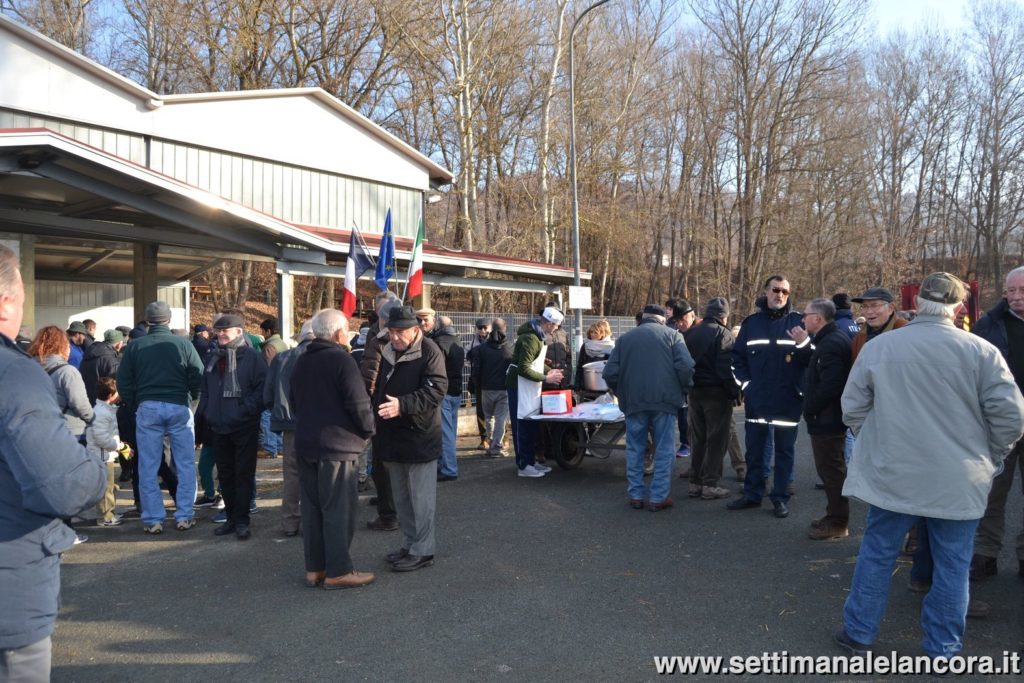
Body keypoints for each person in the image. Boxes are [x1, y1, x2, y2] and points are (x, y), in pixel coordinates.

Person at [834, 272, 1024, 662]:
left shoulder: (882, 347)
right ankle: (943, 647)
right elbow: (1010, 418)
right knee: (953, 564)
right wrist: (991, 456)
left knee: (878, 553)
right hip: (957, 476)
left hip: (894, 472)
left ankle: (859, 634)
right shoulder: (981, 351)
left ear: (919, 302)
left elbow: (853, 408)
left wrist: (878, 442)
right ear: (958, 307)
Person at [0, 244, 107, 682]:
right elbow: (64, 486)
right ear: (5, 301)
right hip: (10, 591)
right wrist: (94, 460)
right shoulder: (13, 373)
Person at [290, 309, 376, 589]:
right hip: (337, 447)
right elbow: (359, 403)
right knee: (339, 510)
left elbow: (293, 400)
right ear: (340, 334)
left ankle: (315, 568)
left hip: (306, 443)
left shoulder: (302, 360)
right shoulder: (342, 360)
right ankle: (339, 570)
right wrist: (368, 430)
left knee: (313, 511)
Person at [117, 301, 204, 534]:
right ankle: (185, 515)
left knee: (148, 465)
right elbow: (198, 376)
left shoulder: (135, 346)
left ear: (147, 321)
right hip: (178, 406)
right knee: (185, 463)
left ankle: (154, 519)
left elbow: (123, 381)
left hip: (148, 407)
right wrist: (191, 399)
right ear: (169, 320)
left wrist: (137, 401)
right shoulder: (183, 344)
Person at [371, 306, 447, 572]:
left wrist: (402, 405)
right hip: (392, 436)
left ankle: (423, 550)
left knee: (421, 500)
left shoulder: (430, 351)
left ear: (416, 329)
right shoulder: (388, 351)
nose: (394, 337)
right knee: (402, 499)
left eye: (399, 332)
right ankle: (410, 544)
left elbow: (437, 390)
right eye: (391, 331)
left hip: (419, 436)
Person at [727, 275, 810, 518]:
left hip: (788, 399)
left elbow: (811, 360)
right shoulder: (752, 323)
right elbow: (737, 358)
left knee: (784, 452)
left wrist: (804, 343)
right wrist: (747, 385)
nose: (780, 295)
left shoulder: (799, 323)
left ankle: (780, 497)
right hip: (758, 398)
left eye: (785, 291)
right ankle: (752, 494)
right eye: (775, 290)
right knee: (754, 450)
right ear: (766, 292)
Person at [603, 304, 695, 511]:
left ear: (643, 318)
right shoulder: (673, 336)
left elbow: (609, 373)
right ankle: (658, 497)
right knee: (664, 449)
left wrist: (622, 392)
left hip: (634, 402)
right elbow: (687, 367)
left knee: (635, 448)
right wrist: (683, 389)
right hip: (665, 402)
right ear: (662, 319)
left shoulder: (625, 339)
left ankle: (635, 495)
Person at [969, 265, 1024, 581]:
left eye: (1022, 291)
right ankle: (985, 554)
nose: (1016, 297)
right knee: (992, 491)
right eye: (1010, 291)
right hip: (998, 423)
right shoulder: (988, 326)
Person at [197, 312, 268, 540]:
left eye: (224, 331)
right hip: (218, 426)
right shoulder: (214, 357)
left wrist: (243, 411)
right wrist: (207, 411)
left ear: (238, 332)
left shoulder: (252, 358)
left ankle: (242, 521)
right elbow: (206, 389)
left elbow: (262, 391)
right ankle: (230, 518)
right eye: (218, 331)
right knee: (225, 475)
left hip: (243, 426)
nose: (220, 334)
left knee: (243, 475)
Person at [796, 298, 852, 540]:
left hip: (828, 419)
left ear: (818, 318)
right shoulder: (828, 340)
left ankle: (838, 522)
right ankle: (833, 515)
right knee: (829, 469)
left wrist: (811, 408)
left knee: (831, 471)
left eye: (806, 314)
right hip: (826, 417)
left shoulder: (831, 343)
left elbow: (831, 384)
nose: (803, 319)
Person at [682, 298, 737, 500]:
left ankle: (695, 482)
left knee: (698, 438)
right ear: (723, 316)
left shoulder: (690, 333)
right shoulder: (724, 334)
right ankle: (710, 483)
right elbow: (726, 368)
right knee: (717, 439)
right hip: (716, 393)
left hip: (694, 391)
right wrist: (733, 392)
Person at [265, 320, 314, 537]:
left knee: (292, 474)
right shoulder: (325, 357)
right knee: (315, 473)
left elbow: (268, 395)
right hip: (317, 423)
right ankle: (311, 520)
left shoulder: (282, 358)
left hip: (289, 423)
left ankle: (289, 522)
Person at [360, 292, 403, 531]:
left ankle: (389, 515)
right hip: (393, 405)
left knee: (383, 463)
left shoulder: (381, 340)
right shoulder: (378, 336)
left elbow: (369, 377)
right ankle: (391, 508)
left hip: (386, 407)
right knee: (388, 464)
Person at [506, 307, 565, 478]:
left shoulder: (537, 336)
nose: (556, 329)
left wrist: (550, 371)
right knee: (522, 425)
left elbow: (535, 362)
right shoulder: (531, 338)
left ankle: (530, 461)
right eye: (555, 326)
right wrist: (546, 378)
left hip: (529, 386)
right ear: (548, 323)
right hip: (519, 386)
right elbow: (523, 368)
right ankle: (524, 466)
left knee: (530, 423)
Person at [28, 326, 94, 446]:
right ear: (61, 347)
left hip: (36, 428)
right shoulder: (68, 372)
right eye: (67, 345)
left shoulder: (27, 368)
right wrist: (93, 418)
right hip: (69, 430)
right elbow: (80, 404)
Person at [419, 310, 464, 482]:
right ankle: (447, 464)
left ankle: (449, 468)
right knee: (450, 432)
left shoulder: (438, 343)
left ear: (438, 324)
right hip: (456, 390)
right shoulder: (457, 341)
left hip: (443, 392)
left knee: (444, 433)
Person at [87, 376, 129, 527]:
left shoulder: (105, 410)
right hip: (102, 456)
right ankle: (105, 516)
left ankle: (109, 512)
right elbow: (102, 439)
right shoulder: (101, 413)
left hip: (106, 454)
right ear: (111, 396)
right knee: (105, 488)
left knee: (109, 486)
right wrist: (119, 446)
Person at [472, 318, 514, 457]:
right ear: (505, 328)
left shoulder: (481, 349)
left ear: (491, 328)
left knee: (489, 417)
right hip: (503, 388)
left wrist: (477, 384)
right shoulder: (510, 347)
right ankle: (496, 447)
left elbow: (476, 370)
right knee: (501, 419)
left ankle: (491, 443)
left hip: (486, 388)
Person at [666, 298, 696, 462]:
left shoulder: (701, 331)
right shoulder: (677, 334)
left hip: (702, 387)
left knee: (725, 432)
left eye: (682, 320)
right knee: (688, 422)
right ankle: (695, 468)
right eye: (677, 321)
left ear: (691, 315)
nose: (680, 324)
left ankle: (739, 465)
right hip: (686, 386)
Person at [258, 317, 287, 459]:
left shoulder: (269, 347)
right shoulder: (282, 343)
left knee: (266, 415)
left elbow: (268, 370)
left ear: (268, 331)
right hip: (281, 386)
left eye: (263, 331)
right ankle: (280, 447)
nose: (262, 334)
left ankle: (270, 448)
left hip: (271, 387)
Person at [80, 329, 124, 404]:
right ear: (119, 344)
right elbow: (114, 385)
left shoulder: (89, 353)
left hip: (87, 400)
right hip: (103, 404)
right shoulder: (111, 360)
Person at [467, 317, 491, 449]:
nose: (482, 330)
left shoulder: (496, 341)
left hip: (493, 382)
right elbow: (467, 358)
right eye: (479, 328)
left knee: (497, 411)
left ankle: (503, 439)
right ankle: (484, 438)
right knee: (480, 411)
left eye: (485, 327)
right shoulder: (473, 343)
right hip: (479, 381)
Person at [575, 319, 615, 399]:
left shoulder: (610, 347)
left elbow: (612, 369)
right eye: (591, 332)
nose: (592, 334)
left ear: (603, 334)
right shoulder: (586, 346)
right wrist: (577, 385)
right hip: (586, 388)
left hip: (604, 389)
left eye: (595, 332)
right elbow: (580, 366)